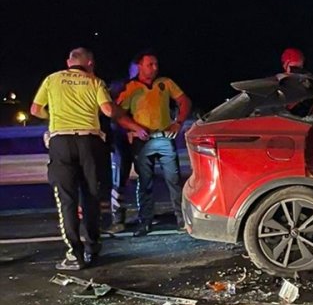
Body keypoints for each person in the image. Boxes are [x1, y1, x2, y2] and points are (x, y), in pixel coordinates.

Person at [30, 48, 148, 269]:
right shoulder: (95, 81)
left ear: (68, 62)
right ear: (90, 63)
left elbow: (36, 109)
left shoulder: (52, 79)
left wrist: (54, 116)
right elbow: (107, 110)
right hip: (90, 142)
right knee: (92, 196)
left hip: (61, 142)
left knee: (67, 199)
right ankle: (93, 247)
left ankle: (75, 255)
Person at [117, 51, 192, 236]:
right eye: (150, 64)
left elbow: (184, 101)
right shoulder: (131, 87)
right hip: (142, 141)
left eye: (156, 64)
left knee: (174, 180)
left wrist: (178, 122)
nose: (155, 68)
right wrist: (134, 127)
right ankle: (145, 221)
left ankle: (183, 219)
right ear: (139, 66)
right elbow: (118, 113)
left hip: (164, 138)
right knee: (145, 182)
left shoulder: (165, 83)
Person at [107, 61, 140, 233]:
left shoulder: (150, 87)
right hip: (120, 138)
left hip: (137, 138)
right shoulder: (121, 87)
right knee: (118, 179)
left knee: (144, 177)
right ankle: (117, 218)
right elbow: (111, 112)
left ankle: (144, 214)